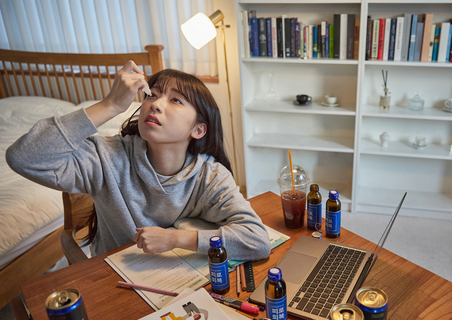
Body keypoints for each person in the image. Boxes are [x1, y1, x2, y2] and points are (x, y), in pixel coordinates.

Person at [6, 61, 270, 260]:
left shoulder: (209, 176)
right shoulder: (105, 157)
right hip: (115, 280)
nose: (155, 104)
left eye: (175, 100)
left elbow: (256, 240)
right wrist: (110, 105)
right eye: (152, 95)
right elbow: (24, 157)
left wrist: (175, 238)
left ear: (198, 130)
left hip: (180, 278)